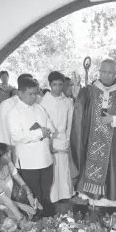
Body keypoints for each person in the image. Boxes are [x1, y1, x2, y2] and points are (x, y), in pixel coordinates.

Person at [70, 59, 116, 207]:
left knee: (111, 170)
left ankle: (110, 202)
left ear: (115, 73)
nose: (106, 75)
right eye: (103, 72)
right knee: (91, 166)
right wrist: (77, 86)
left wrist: (114, 119)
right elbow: (79, 103)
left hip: (112, 140)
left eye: (110, 72)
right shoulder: (91, 90)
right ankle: (93, 201)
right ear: (99, 71)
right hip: (92, 138)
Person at [7, 77, 55, 206]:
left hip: (45, 157)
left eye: (36, 93)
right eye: (30, 94)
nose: (34, 97)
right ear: (20, 93)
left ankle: (48, 215)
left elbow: (50, 126)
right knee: (33, 192)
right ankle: (36, 218)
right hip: (29, 161)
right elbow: (16, 136)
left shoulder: (39, 108)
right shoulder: (14, 112)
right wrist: (39, 133)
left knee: (46, 189)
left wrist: (47, 130)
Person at [40, 71, 74, 202]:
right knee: (53, 171)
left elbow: (70, 123)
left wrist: (68, 140)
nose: (57, 88)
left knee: (64, 169)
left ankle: (65, 195)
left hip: (64, 139)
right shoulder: (43, 102)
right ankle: (53, 197)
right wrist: (48, 143)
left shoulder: (68, 101)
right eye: (54, 85)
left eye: (60, 85)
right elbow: (42, 124)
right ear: (49, 85)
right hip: (51, 140)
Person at [0, 143, 41, 216]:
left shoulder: (8, 164)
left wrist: (29, 195)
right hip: (1, 207)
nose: (10, 156)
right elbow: (0, 200)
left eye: (9, 153)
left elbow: (19, 179)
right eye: (6, 154)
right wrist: (21, 206)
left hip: (14, 200)